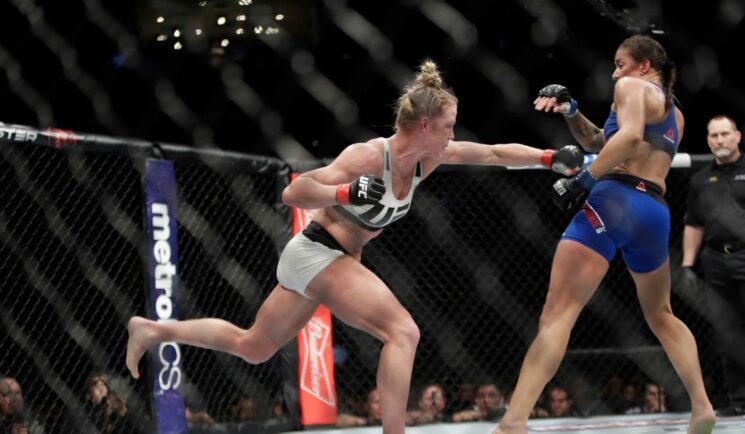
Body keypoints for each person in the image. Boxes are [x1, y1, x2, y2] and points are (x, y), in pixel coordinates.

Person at [124, 59, 583, 434]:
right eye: (447, 126)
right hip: (316, 251)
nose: (451, 135)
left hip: (331, 260)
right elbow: (294, 193)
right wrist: (343, 193)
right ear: (424, 124)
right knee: (403, 332)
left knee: (254, 346)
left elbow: (496, 153)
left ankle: (152, 329)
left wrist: (548, 160)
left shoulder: (430, 157)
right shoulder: (367, 156)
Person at [493, 35, 716, 434]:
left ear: (645, 65)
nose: (615, 73)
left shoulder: (630, 87)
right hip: (654, 211)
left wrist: (583, 179)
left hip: (613, 199)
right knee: (662, 315)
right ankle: (702, 407)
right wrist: (571, 111)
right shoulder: (675, 112)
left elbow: (627, 139)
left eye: (621, 63)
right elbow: (604, 141)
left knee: (558, 314)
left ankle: (514, 422)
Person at [681, 114, 745, 416]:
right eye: (714, 135)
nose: (719, 140)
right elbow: (693, 224)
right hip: (716, 262)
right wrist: (688, 265)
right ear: (708, 140)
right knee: (727, 335)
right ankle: (741, 401)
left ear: (738, 136)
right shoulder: (700, 180)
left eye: (724, 134)